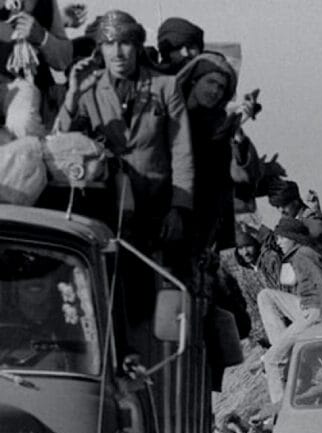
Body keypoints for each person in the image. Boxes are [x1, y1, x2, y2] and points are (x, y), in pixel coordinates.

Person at [55, 10, 193, 263]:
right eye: (109, 44)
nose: (117, 53)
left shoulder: (166, 86)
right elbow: (62, 146)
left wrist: (178, 208)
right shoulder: (89, 88)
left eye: (125, 43)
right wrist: (72, 96)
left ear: (138, 46)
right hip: (105, 208)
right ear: (100, 49)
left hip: (156, 209)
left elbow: (182, 151)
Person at [257, 218, 322, 405]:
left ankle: (280, 406)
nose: (278, 243)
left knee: (271, 359)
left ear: (292, 237)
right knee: (266, 296)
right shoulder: (301, 253)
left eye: (281, 239)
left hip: (316, 311)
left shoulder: (303, 255)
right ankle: (286, 352)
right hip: (305, 306)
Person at [176, 51, 249, 258]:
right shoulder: (170, 115)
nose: (215, 91)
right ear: (194, 80)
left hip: (203, 223)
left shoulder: (219, 123)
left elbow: (230, 177)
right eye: (211, 82)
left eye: (221, 87)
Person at [0, 0, 73, 135]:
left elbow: (64, 59)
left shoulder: (43, 3)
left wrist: (42, 37)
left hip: (29, 96)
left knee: (22, 123)